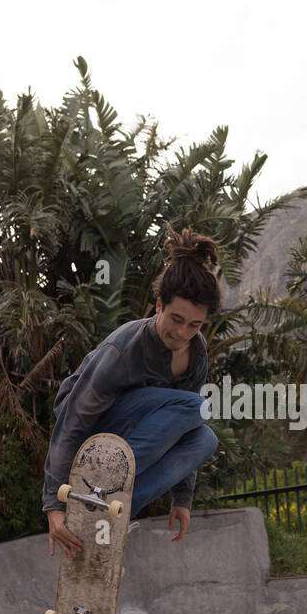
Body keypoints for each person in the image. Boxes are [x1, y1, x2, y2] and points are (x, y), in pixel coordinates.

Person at [44, 226, 222, 558]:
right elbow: (71, 422)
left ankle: (114, 511)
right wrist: (55, 504)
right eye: (176, 319)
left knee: (206, 438)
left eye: (195, 325)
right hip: (93, 431)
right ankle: (96, 486)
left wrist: (182, 499)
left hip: (134, 434)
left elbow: (188, 432)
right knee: (198, 407)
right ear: (158, 306)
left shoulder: (196, 354)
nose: (182, 333)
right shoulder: (124, 350)